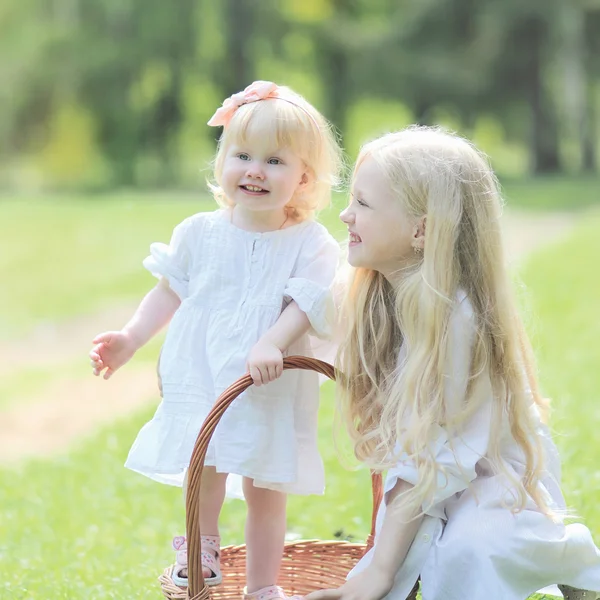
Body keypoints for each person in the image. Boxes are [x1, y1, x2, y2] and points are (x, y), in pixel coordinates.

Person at [308, 126, 600, 600]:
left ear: (421, 230)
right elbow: (307, 302)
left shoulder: (456, 319)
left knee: (470, 552)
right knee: (430, 550)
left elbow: (432, 459)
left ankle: (568, 554)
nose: (345, 214)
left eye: (362, 204)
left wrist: (380, 572)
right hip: (434, 478)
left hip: (488, 477)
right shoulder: (381, 292)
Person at [89, 81, 342, 600]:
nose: (254, 170)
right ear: (222, 162)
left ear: (304, 179)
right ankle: (200, 551)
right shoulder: (199, 232)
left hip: (268, 378)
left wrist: (273, 340)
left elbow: (309, 302)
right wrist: (131, 339)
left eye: (274, 161)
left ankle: (263, 586)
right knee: (206, 464)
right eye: (242, 155)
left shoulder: (309, 242)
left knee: (266, 487)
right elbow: (169, 293)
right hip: (204, 369)